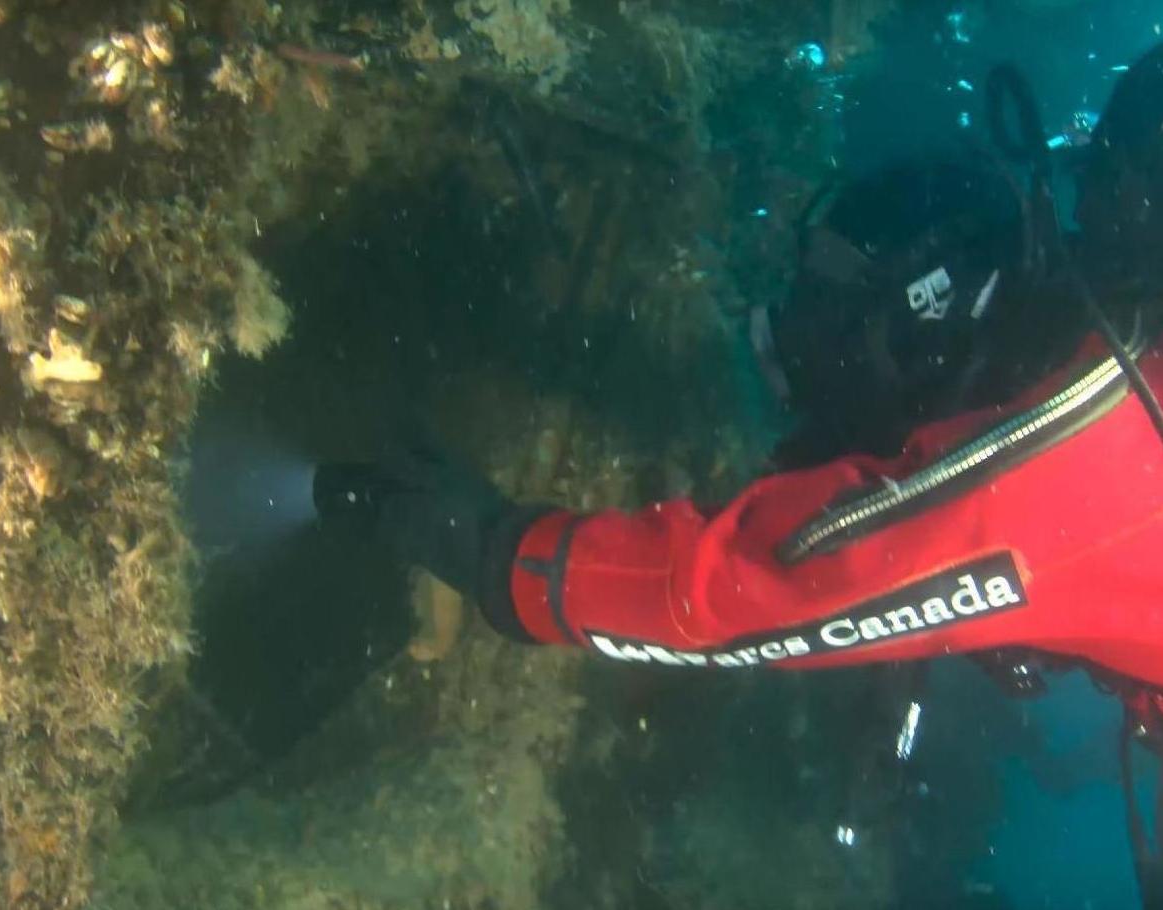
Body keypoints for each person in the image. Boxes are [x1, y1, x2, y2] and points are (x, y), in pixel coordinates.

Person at [313, 43, 1163, 899]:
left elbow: (785, 580)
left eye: (1110, 179)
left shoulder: (1118, 457)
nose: (1082, 202)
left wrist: (511, 559)